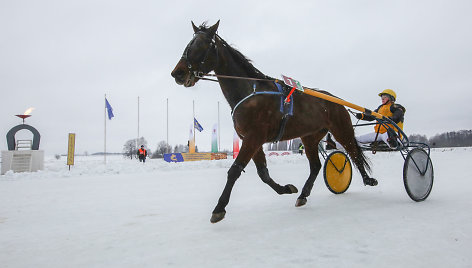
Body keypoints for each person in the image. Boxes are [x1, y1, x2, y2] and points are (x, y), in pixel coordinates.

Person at [326, 89, 406, 150]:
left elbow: (397, 116)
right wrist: (361, 116)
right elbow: (371, 116)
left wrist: (389, 119)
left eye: (385, 97)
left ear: (391, 98)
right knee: (358, 139)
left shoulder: (395, 107)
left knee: (388, 135)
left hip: (391, 133)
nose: (382, 99)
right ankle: (334, 145)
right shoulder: (380, 108)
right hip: (378, 134)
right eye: (382, 97)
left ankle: (394, 143)